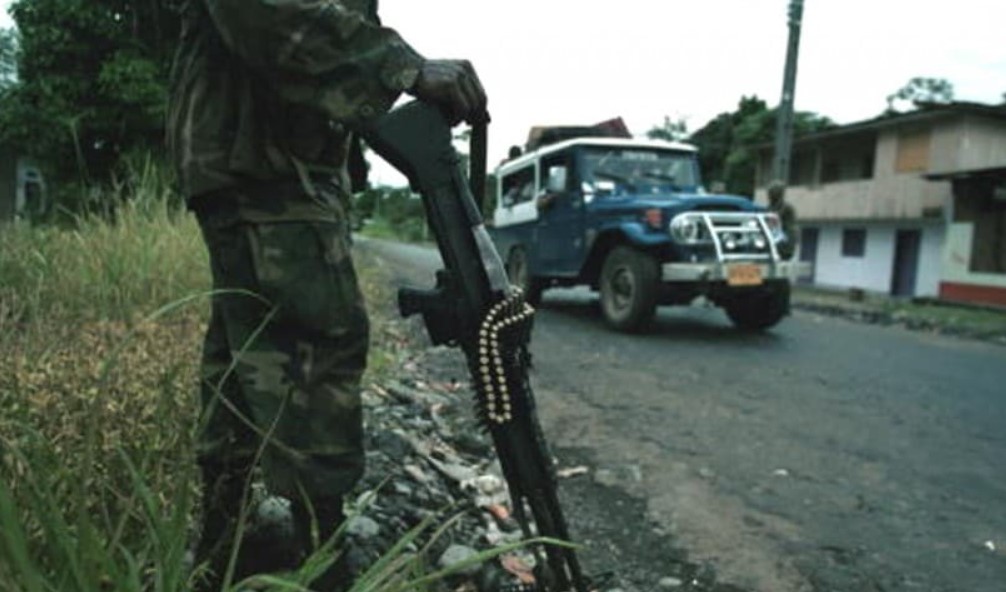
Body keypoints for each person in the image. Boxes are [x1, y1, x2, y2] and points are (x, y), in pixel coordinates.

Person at [165, 1, 487, 590]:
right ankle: (322, 565)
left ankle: (220, 547)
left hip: (269, 160)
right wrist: (400, 67)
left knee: (249, 357)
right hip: (262, 161)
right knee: (318, 344)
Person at [767, 179, 798, 260]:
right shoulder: (769, 207)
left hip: (783, 240)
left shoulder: (786, 208)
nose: (769, 195)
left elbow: (776, 219)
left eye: (772, 192)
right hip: (773, 240)